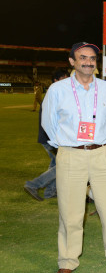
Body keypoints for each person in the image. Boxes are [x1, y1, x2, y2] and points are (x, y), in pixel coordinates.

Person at [41, 42, 106, 273]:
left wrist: (95, 140)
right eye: (82, 57)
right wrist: (67, 144)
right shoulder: (57, 90)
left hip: (103, 152)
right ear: (72, 61)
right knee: (70, 212)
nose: (88, 62)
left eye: (92, 58)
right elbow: (48, 123)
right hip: (71, 154)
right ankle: (67, 261)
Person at [24, 69, 68, 201]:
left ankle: (50, 192)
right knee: (63, 165)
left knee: (56, 163)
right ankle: (33, 185)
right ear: (56, 80)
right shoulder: (54, 94)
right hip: (51, 138)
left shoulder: (55, 93)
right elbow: (52, 119)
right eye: (63, 78)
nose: (66, 81)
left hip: (49, 137)